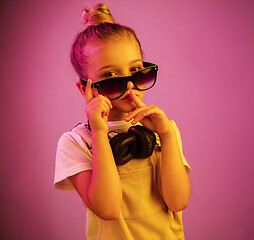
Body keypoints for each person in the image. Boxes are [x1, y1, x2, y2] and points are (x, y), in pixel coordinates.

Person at [53, 3, 191, 239]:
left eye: (136, 70)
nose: (129, 86)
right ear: (84, 88)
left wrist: (166, 137)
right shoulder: (76, 143)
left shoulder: (165, 130)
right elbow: (107, 208)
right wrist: (99, 134)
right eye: (110, 76)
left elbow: (178, 202)